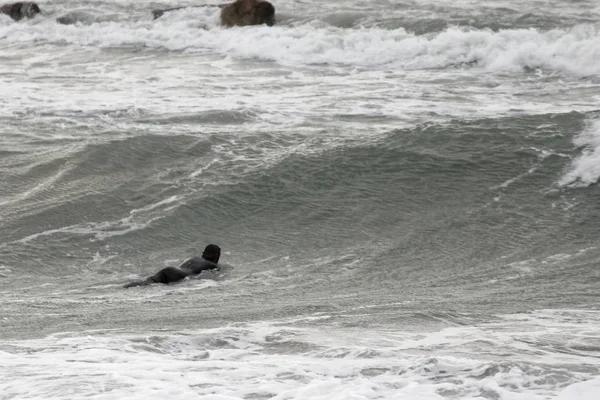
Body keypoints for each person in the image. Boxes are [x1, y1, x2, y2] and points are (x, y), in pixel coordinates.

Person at [123, 244, 221, 288]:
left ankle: (123, 287)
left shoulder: (194, 258)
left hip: (171, 269)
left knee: (148, 282)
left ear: (203, 253)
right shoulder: (212, 265)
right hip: (178, 275)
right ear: (216, 255)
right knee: (149, 285)